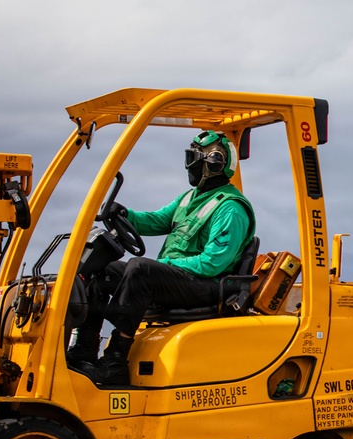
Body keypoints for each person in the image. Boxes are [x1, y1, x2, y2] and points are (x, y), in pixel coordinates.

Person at [69, 130, 256, 385]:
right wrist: (126, 214)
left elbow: (214, 262)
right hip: (182, 277)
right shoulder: (192, 198)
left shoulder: (231, 208)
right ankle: (84, 350)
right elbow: (159, 219)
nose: (189, 164)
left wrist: (163, 265)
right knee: (105, 268)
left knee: (141, 270)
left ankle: (115, 360)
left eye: (193, 158)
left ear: (213, 162)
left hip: (206, 284)